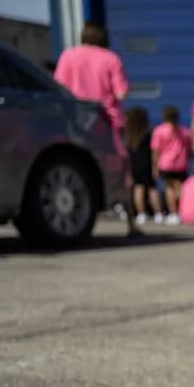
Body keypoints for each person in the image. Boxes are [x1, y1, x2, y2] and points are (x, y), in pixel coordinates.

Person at [53, 22, 140, 236]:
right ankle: (131, 223)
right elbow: (121, 94)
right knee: (122, 172)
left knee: (77, 167)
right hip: (105, 122)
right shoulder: (111, 59)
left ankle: (77, 219)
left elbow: (58, 88)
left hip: (74, 121)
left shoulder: (68, 56)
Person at [151, 105, 192, 224]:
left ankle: (173, 213)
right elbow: (189, 148)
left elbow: (156, 151)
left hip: (166, 163)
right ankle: (181, 211)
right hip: (181, 163)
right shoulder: (184, 131)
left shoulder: (159, 131)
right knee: (180, 189)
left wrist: (154, 166)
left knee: (169, 189)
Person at [123, 107, 164, 225]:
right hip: (147, 163)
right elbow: (153, 151)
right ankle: (158, 213)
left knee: (138, 188)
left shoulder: (129, 135)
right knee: (152, 188)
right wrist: (155, 166)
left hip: (134, 164)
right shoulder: (148, 134)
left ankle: (141, 213)